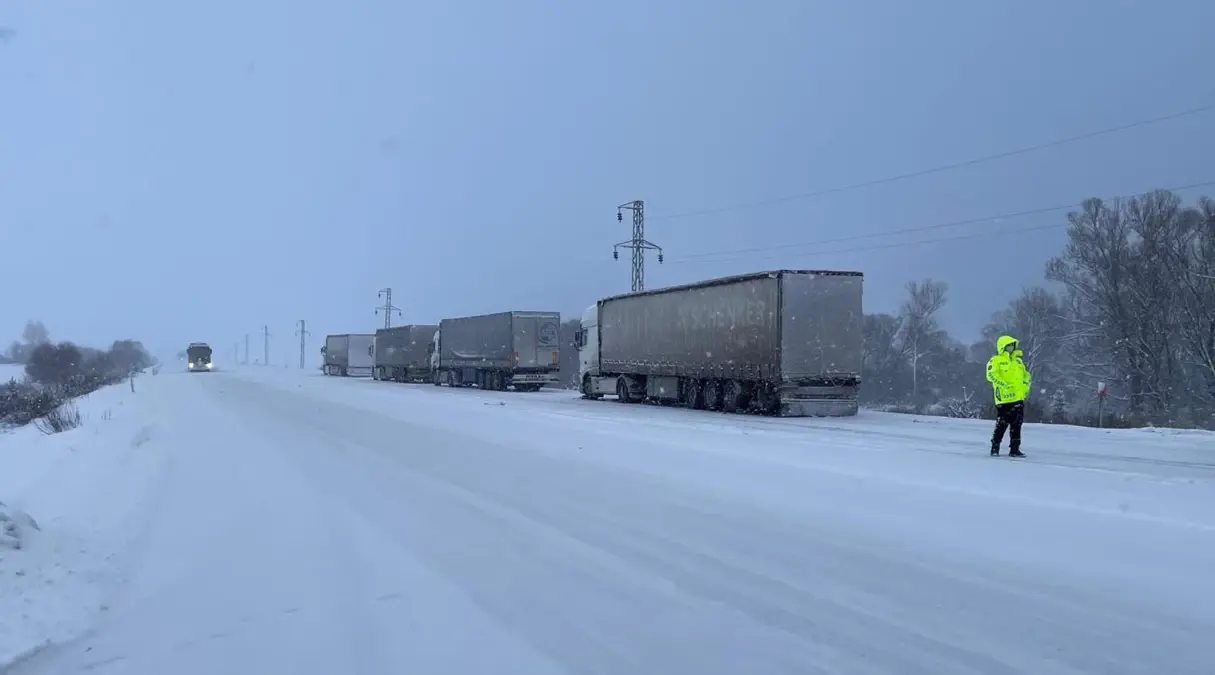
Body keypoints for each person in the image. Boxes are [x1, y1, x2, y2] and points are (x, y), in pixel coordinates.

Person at [985, 334, 1031, 457]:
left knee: (1017, 423)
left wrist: (1026, 386)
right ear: (1002, 347)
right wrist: (1003, 384)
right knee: (1002, 423)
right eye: (1008, 346)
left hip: (1018, 397)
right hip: (1004, 399)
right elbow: (991, 375)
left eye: (1012, 345)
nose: (1011, 348)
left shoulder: (1018, 361)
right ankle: (995, 447)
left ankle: (1015, 449)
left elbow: (1026, 375)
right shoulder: (996, 360)